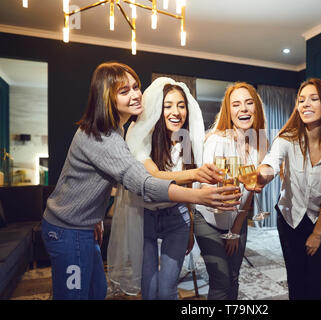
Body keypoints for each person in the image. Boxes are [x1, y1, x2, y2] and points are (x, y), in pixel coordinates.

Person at [41, 62, 240, 300]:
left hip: (83, 226)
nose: (136, 95)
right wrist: (198, 192)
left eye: (136, 87)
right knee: (74, 295)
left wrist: (94, 218)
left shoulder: (115, 130)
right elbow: (144, 182)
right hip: (68, 230)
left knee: (96, 291)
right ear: (106, 98)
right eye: (124, 91)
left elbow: (89, 182)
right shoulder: (106, 137)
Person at [108, 77, 222, 299]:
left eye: (181, 106)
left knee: (168, 287)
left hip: (177, 219)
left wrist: (189, 228)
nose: (175, 112)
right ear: (156, 110)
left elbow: (187, 190)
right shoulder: (141, 138)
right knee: (149, 289)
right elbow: (154, 177)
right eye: (167, 106)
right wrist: (196, 173)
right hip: (144, 218)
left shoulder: (187, 141)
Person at [252, 78, 321, 300]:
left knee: (317, 279)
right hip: (290, 217)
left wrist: (317, 233)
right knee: (296, 279)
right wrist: (261, 175)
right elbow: (270, 163)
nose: (305, 104)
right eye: (301, 100)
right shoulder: (287, 139)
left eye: (313, 99)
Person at [194, 82, 268, 300]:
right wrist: (218, 196)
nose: (243, 109)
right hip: (207, 220)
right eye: (236, 104)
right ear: (229, 110)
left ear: (256, 108)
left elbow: (250, 194)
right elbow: (205, 185)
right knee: (220, 281)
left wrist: (235, 230)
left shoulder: (260, 144)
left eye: (248, 103)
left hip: (237, 220)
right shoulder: (217, 140)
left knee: (234, 278)